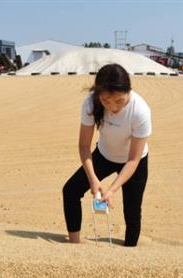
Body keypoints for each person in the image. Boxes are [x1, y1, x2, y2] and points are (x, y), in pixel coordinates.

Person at [62, 63, 152, 247]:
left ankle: (131, 251)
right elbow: (84, 146)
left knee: (132, 210)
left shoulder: (140, 110)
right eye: (105, 101)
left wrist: (111, 190)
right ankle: (73, 245)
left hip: (134, 161)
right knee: (70, 191)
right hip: (104, 155)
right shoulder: (90, 103)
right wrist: (93, 179)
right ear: (98, 96)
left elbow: (133, 160)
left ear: (129, 91)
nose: (112, 107)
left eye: (119, 101)